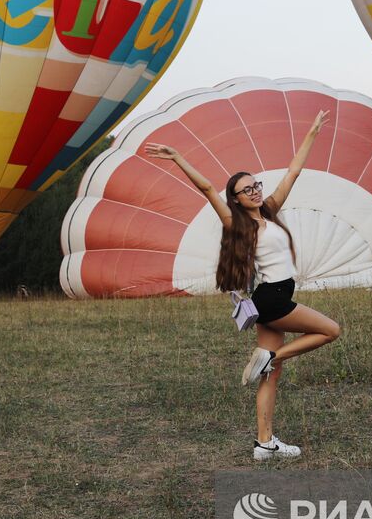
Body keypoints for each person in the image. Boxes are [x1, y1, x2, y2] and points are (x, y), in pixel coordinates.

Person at [145, 110, 340, 461]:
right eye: (245, 189)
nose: (254, 191)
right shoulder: (237, 224)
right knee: (330, 330)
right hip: (271, 299)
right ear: (235, 198)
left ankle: (264, 442)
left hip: (274, 299)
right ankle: (269, 356)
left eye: (256, 185)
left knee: (270, 376)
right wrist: (177, 159)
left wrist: (311, 132)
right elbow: (206, 187)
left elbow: (293, 172)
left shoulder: (269, 211)